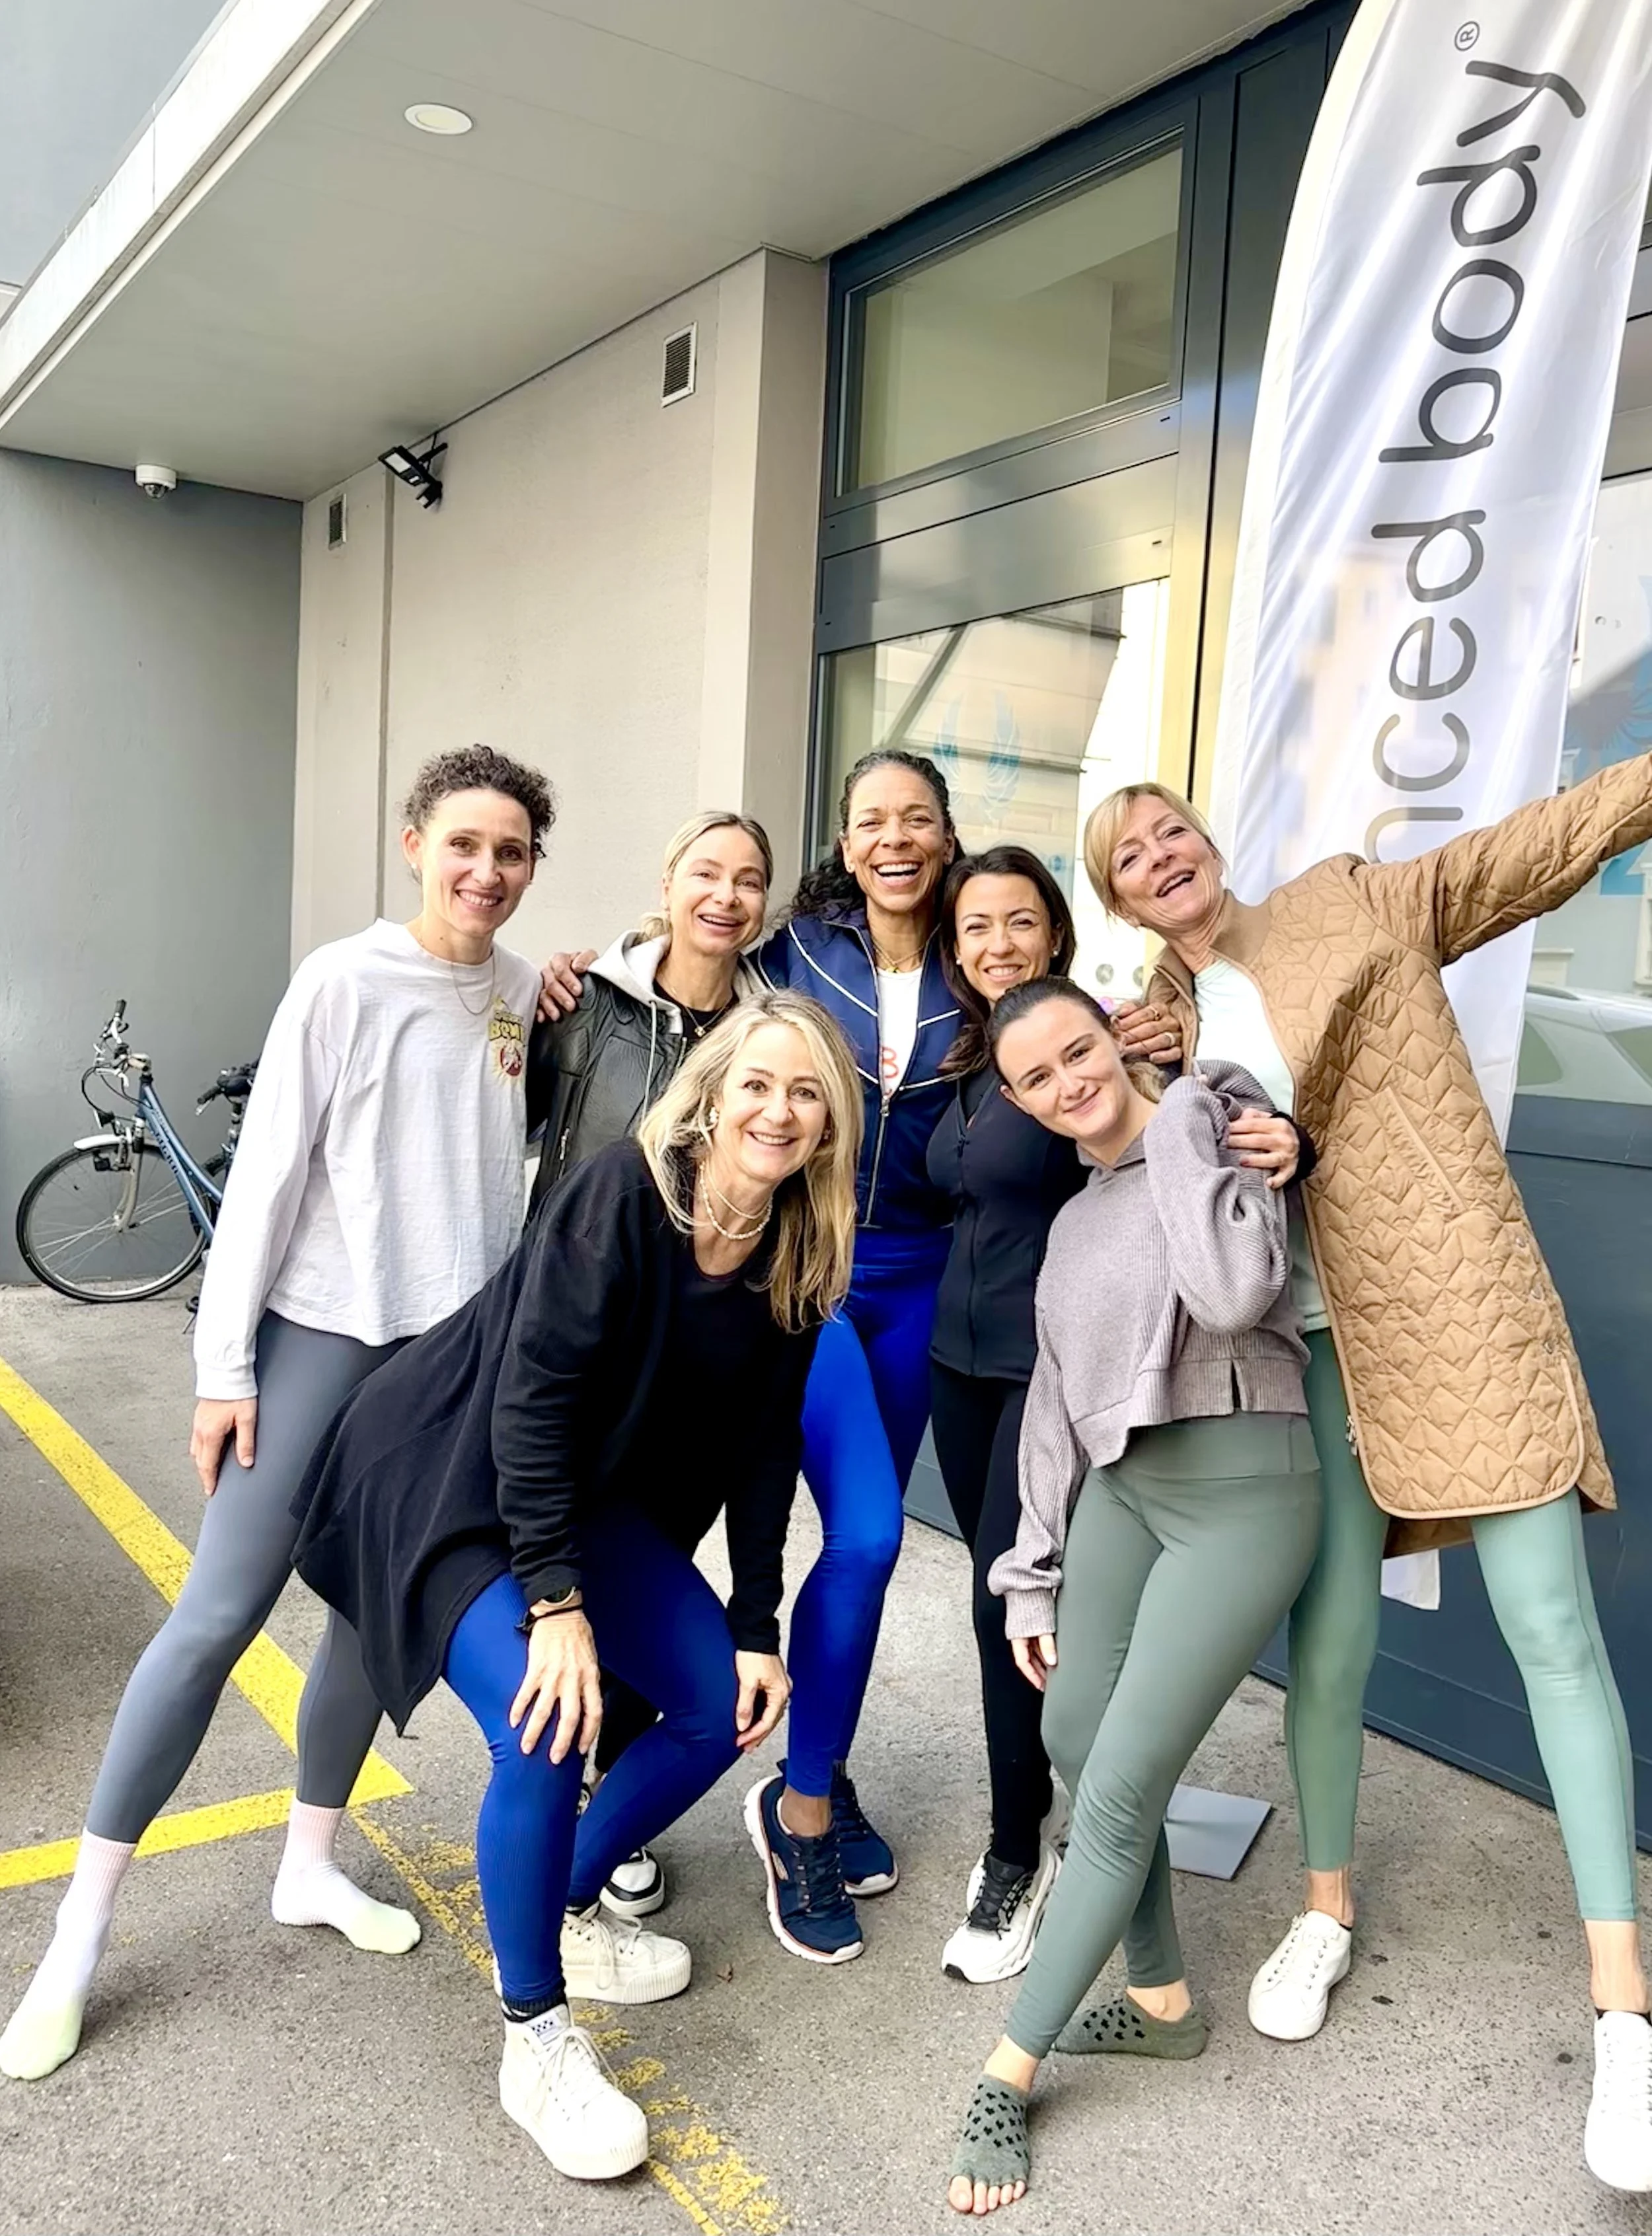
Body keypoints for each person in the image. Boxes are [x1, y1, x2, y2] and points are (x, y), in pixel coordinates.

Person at [1087, 757, 1652, 2192]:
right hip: (1302, 1356)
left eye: (1171, 827)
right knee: (1329, 1647)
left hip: (1451, 1311)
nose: (1159, 849)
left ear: (1207, 843)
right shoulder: (1163, 1024)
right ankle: (1324, 1913)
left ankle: (1623, 2018)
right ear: (1116, 897)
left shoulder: (1352, 901)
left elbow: (1538, 845)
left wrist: (1312, 1140)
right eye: (1127, 850)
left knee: (1547, 1635)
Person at [0, 745, 552, 2087]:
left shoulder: (528, 991)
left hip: (446, 1360)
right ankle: (77, 1931)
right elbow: (263, 1186)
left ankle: (309, 1863)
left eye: (513, 852)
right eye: (464, 843)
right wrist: (224, 1366)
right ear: (415, 841)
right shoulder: (342, 980)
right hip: (320, 1337)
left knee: (371, 1617)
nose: (486, 871)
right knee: (214, 1620)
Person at [289, 992, 862, 2183]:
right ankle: (536, 2036)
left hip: (572, 1498)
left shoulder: (798, 1251)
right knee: (549, 1725)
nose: (779, 1109)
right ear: (710, 1094)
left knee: (721, 1706)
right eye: (758, 1082)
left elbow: (764, 1452)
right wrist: (558, 1613)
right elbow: (531, 1400)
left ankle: (559, 1901)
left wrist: (757, 1625)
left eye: (808, 1093)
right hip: (452, 1472)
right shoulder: (624, 1192)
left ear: (830, 1126)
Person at [944, 977, 1322, 2216]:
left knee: (1114, 1791)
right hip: (1126, 1496)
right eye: (1039, 1076)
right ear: (1017, 1099)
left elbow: (1229, 1296)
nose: (1070, 1083)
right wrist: (1027, 1578)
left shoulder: (1212, 1122)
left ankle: (1010, 2066)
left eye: (1082, 1051)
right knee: (1068, 1734)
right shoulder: (1070, 1228)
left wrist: (1177, 1113)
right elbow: (1053, 1412)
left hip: (1245, 1486)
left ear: (1118, 1038)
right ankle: (1161, 1999)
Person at [924, 848, 1310, 1984]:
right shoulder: (965, 1059)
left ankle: (1022, 1856)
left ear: (1060, 939)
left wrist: (1241, 1116)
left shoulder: (1147, 1054)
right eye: (975, 927)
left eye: (1020, 921)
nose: (997, 943)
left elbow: (1212, 1171)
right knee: (1014, 1604)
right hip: (989, 1357)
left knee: (1062, 1650)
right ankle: (1091, 1900)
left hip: (1132, 1392)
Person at [526, 807, 772, 1921]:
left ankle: (609, 1791)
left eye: (749, 879)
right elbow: (520, 1117)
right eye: (706, 873)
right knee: (580, 1543)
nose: (726, 896)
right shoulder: (589, 1006)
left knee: (660, 1555)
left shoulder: (768, 1029)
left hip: (698, 1340)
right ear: (668, 881)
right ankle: (562, 1788)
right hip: (584, 1318)